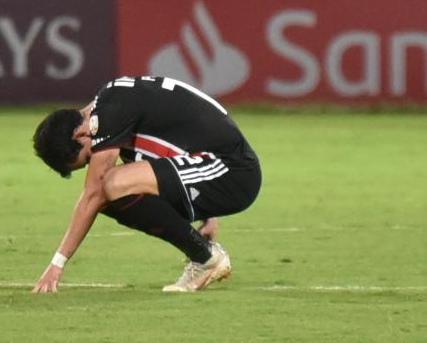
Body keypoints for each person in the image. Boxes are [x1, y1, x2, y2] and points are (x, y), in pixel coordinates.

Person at [31, 75, 262, 294]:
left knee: (109, 184)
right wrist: (209, 217)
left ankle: (206, 258)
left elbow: (94, 193)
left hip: (235, 172)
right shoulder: (113, 107)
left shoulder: (108, 115)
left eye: (88, 159)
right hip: (216, 167)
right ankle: (203, 255)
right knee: (113, 189)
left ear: (79, 136)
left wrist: (57, 264)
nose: (94, 164)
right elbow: (183, 139)